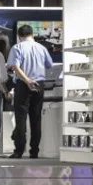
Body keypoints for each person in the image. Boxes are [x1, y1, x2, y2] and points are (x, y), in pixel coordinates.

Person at [7, 24, 54, 159]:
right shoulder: (42, 48)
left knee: (21, 118)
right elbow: (49, 65)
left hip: (23, 84)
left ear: (19, 36)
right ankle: (34, 151)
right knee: (36, 118)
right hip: (39, 85)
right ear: (32, 34)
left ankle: (19, 151)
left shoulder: (17, 48)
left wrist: (27, 80)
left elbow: (15, 67)